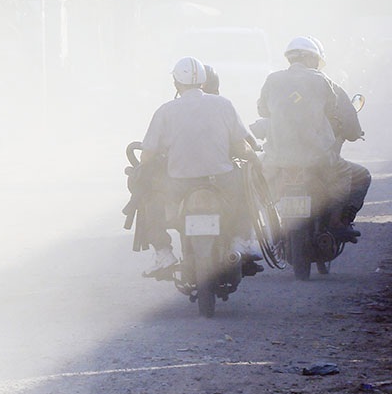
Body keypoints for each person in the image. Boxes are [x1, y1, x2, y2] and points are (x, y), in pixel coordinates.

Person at [135, 56, 255, 276]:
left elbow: (147, 155)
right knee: (248, 190)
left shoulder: (165, 111)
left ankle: (163, 253)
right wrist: (254, 158)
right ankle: (240, 242)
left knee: (150, 199)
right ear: (204, 81)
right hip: (221, 180)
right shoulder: (224, 104)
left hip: (179, 184)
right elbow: (241, 147)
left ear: (176, 84)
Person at [256, 36, 369, 242]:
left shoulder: (272, 80)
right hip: (318, 158)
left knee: (259, 185)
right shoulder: (323, 81)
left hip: (277, 158)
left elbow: (262, 109)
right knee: (357, 175)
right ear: (312, 59)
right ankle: (337, 222)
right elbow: (335, 113)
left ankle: (269, 226)